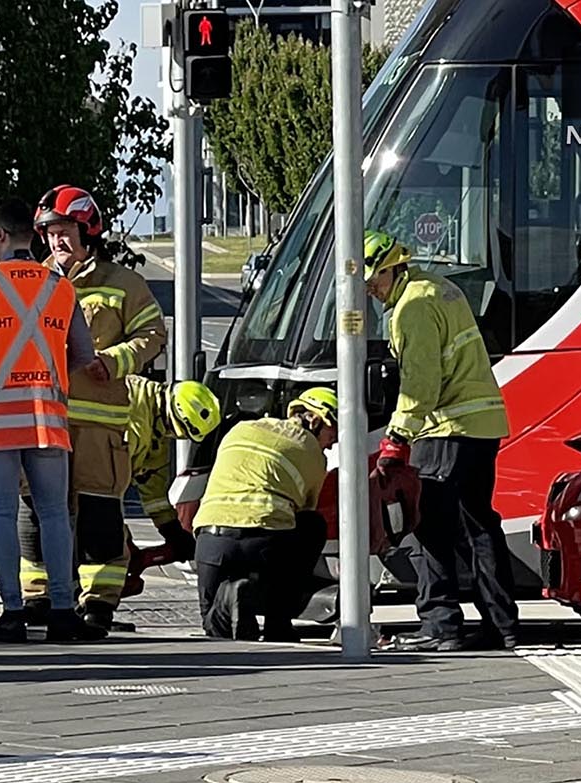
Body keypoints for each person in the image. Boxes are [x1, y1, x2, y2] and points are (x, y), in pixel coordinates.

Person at [0, 198, 107, 644]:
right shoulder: (61, 287)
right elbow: (85, 355)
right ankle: (62, 610)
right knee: (55, 513)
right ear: (31, 238)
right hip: (47, 416)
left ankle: (13, 612)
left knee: (1, 512)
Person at [17, 185, 167, 631]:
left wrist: (116, 360)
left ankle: (99, 603)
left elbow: (153, 335)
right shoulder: (30, 281)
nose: (57, 242)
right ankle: (37, 597)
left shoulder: (123, 284)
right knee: (36, 511)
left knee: (101, 515)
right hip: (43, 420)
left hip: (100, 425)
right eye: (50, 234)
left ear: (88, 231)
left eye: (65, 232)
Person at [362, 230, 519, 652]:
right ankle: (501, 624)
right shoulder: (439, 288)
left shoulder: (412, 306)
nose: (371, 290)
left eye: (374, 280)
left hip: (446, 428)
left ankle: (440, 624)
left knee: (428, 526)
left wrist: (397, 436)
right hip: (481, 426)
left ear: (394, 268)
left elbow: (420, 383)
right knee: (478, 526)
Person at [192, 387, 338, 641]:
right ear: (316, 419)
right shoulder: (312, 452)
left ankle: (232, 595)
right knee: (312, 526)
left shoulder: (241, 429)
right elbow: (305, 508)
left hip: (210, 544)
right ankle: (277, 623)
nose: (333, 443)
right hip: (261, 544)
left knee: (214, 627)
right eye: (332, 434)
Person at [121, 376, 222, 591]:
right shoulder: (134, 409)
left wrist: (173, 531)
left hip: (102, 489)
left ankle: (96, 608)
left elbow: (153, 491)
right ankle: (87, 605)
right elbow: (109, 477)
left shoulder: (157, 428)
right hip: (84, 482)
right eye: (173, 430)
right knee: (111, 550)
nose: (170, 436)